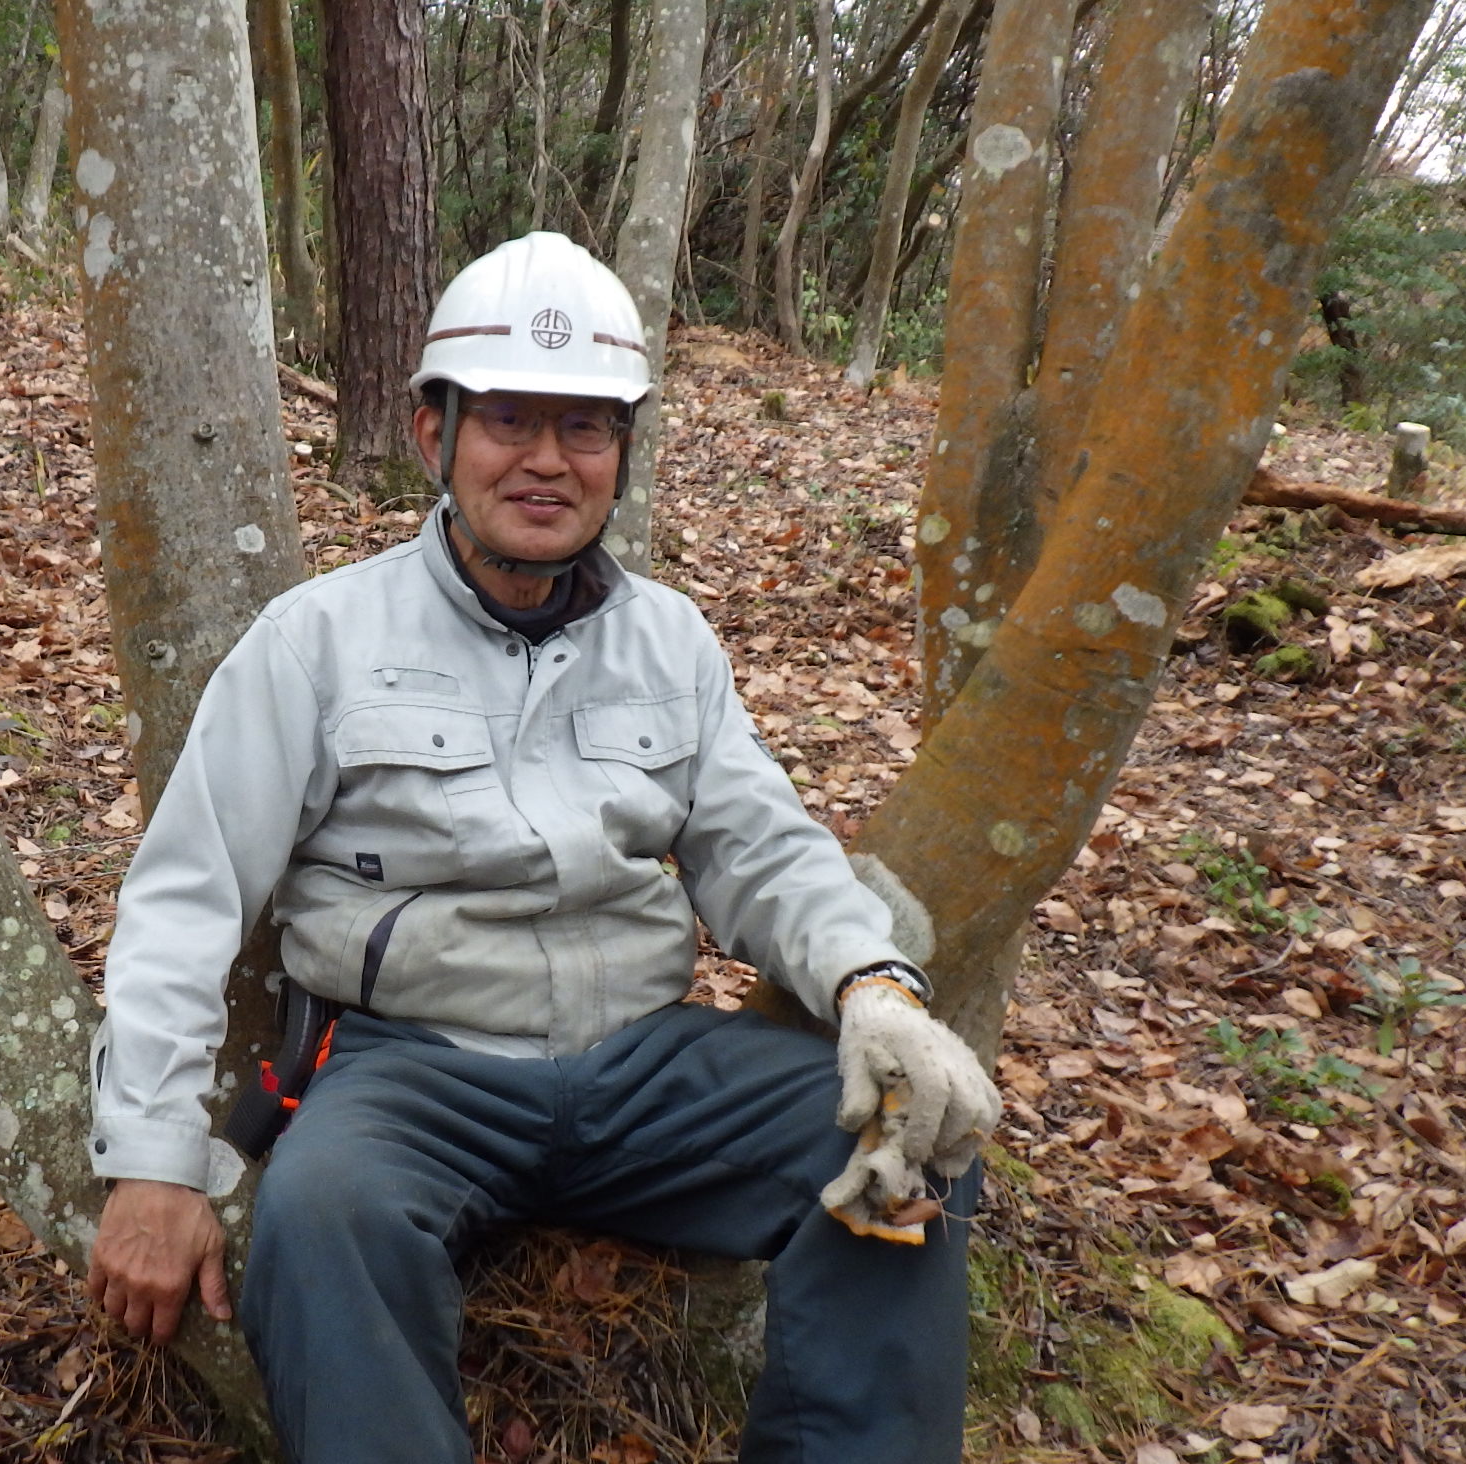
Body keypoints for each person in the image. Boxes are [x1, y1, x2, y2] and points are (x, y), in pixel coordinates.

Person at [83, 232, 1000, 1463]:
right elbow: (187, 897)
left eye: (587, 429)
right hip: (416, 1073)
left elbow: (760, 846)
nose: (548, 461)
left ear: (623, 450)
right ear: (433, 434)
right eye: (510, 419)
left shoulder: (670, 643)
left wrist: (873, 986)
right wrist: (152, 1159)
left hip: (644, 1067)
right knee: (319, 1217)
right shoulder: (317, 642)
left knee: (903, 1140)